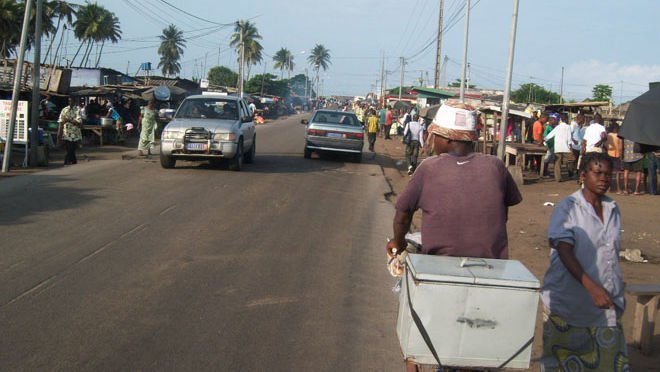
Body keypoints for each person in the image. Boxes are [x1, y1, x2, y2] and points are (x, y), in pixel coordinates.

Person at [387, 109, 522, 372]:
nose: (431, 141)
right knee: (477, 346)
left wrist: (399, 242)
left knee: (418, 327)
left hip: (442, 270)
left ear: (447, 139)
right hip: (491, 271)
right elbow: (502, 213)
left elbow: (403, 214)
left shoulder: (429, 168)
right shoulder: (495, 166)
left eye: (434, 135)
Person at [540, 152, 628, 371]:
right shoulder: (568, 208)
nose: (603, 179)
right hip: (570, 304)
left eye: (608, 174)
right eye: (597, 173)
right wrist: (591, 287)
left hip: (606, 303)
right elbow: (564, 249)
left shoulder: (612, 209)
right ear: (583, 176)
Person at [544, 113, 574, 182]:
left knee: (557, 162)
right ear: (566, 119)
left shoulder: (557, 127)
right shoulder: (568, 127)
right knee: (572, 159)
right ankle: (570, 172)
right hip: (566, 147)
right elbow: (569, 138)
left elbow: (548, 136)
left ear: (561, 119)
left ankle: (558, 178)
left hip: (557, 147)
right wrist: (571, 147)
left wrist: (544, 142)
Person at [57, 97, 82, 165]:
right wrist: (59, 135)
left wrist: (68, 120)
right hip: (66, 133)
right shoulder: (64, 110)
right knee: (69, 148)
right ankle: (69, 162)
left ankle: (71, 161)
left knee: (72, 149)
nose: (70, 102)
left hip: (75, 134)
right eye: (69, 101)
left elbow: (79, 122)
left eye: (72, 101)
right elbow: (61, 122)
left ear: (74, 102)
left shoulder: (78, 110)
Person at [606, 123, 624, 193]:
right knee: (618, 173)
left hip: (609, 154)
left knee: (609, 172)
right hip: (617, 155)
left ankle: (609, 188)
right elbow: (620, 148)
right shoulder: (619, 136)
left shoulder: (608, 135)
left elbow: (606, 145)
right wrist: (622, 156)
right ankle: (618, 188)